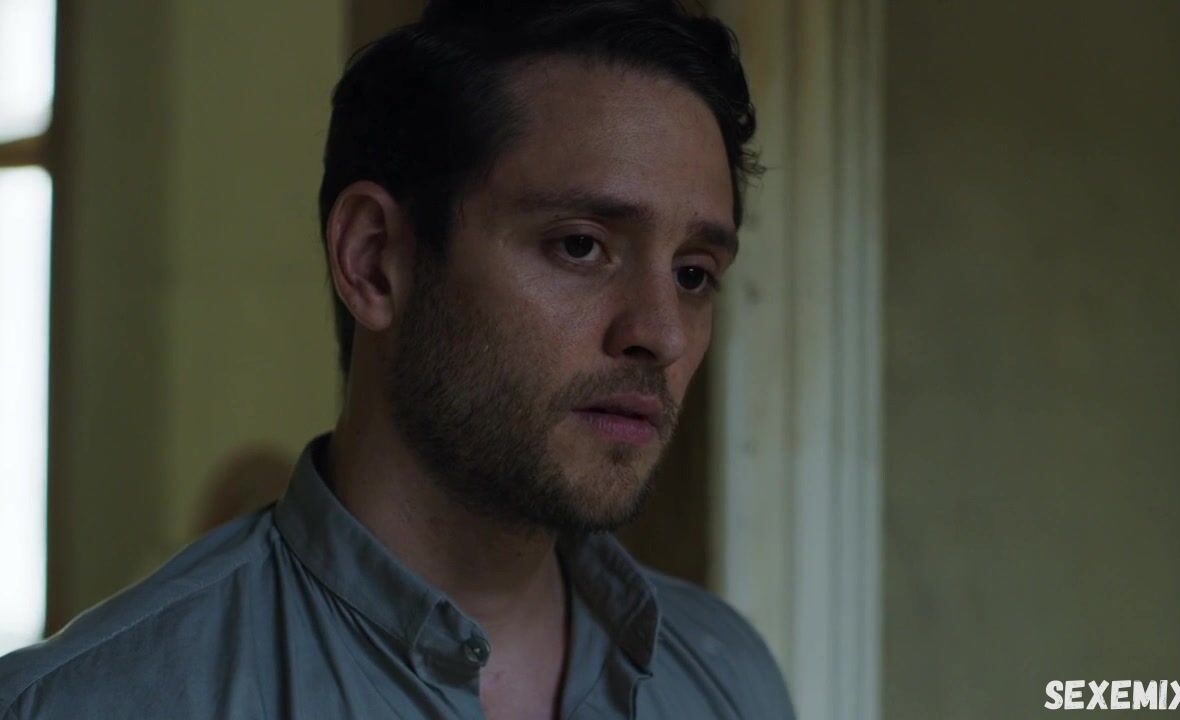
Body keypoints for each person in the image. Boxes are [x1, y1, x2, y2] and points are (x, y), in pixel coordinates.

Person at [0, 1, 795, 717]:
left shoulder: (727, 676)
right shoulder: (92, 702)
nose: (661, 332)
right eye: (581, 246)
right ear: (375, 261)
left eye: (694, 275)